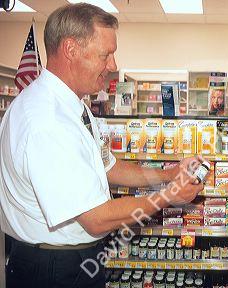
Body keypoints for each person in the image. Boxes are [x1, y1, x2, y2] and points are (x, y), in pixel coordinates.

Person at [0, 3, 204, 288]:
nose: (113, 66)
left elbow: (107, 166)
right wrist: (169, 196)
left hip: (72, 259)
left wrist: (170, 174)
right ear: (71, 49)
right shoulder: (47, 121)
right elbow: (95, 218)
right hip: (53, 268)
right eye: (106, 54)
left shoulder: (74, 107)